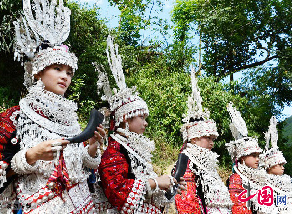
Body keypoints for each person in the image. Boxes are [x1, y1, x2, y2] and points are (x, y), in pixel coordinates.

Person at [0, 0, 105, 213]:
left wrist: (91, 147)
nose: (65, 76)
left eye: (69, 72)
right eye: (57, 68)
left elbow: (79, 165)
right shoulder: (15, 117)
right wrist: (30, 156)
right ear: (38, 72)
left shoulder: (70, 119)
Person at [95, 35, 175, 213]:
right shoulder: (114, 151)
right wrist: (155, 182)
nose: (146, 123)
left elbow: (155, 199)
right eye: (142, 118)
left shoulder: (135, 150)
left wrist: (169, 185)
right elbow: (117, 192)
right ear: (127, 117)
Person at [174, 68, 233, 214]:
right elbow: (186, 200)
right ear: (194, 138)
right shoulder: (186, 160)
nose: (212, 143)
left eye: (213, 139)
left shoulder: (209, 163)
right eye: (208, 138)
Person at [226, 102, 274, 214]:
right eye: (253, 156)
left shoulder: (261, 177)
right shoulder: (237, 179)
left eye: (258, 156)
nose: (257, 159)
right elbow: (239, 208)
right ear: (242, 158)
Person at [259, 116, 292, 213]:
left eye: (283, 165)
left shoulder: (286, 181)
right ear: (269, 166)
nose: (283, 168)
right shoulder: (263, 183)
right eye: (280, 165)